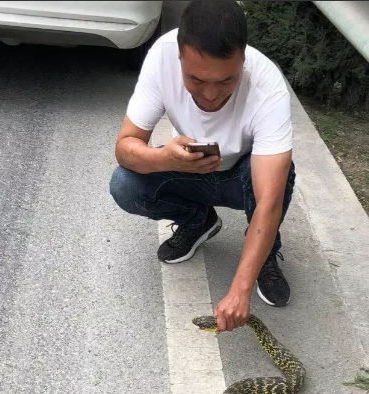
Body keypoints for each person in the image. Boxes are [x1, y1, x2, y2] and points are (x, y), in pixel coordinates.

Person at [109, 0, 295, 332]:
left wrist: (239, 290)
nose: (210, 94)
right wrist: (165, 159)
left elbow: (269, 201)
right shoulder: (161, 57)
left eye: (226, 81)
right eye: (195, 80)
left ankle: (265, 255)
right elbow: (125, 147)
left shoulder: (268, 85)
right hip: (188, 169)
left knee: (279, 175)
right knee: (125, 184)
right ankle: (199, 221)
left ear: (243, 58)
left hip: (242, 179)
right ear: (179, 56)